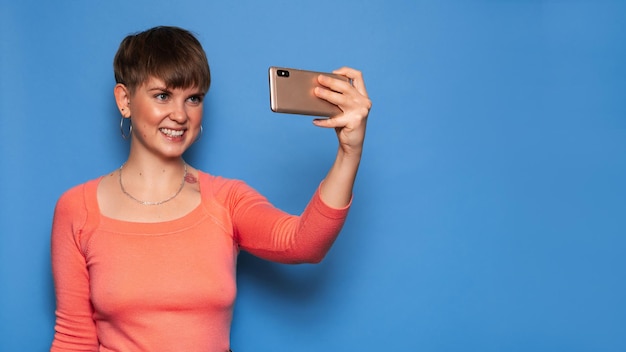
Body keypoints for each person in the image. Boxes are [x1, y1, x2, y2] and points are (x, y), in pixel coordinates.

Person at [50, 26, 371, 352]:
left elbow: (303, 243)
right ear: (125, 100)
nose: (179, 115)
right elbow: (73, 340)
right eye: (163, 96)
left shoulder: (226, 200)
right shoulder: (78, 209)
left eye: (193, 98)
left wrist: (349, 153)